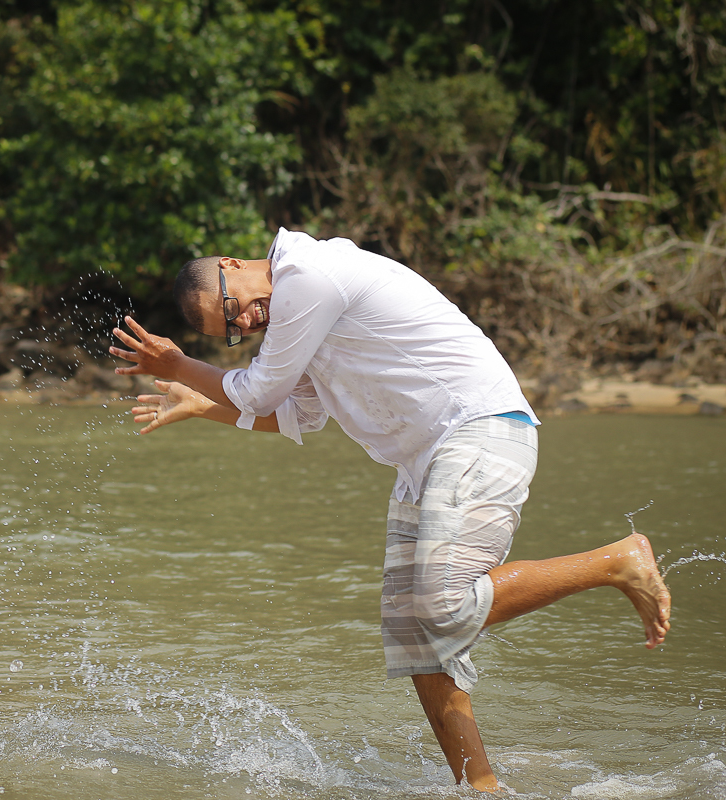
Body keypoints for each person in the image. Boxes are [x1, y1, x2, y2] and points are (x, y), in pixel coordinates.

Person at [108, 228, 671, 792]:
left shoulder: (308, 276)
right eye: (231, 330)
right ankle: (481, 785)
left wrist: (180, 365)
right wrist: (203, 405)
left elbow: (258, 392)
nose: (245, 323)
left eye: (232, 308)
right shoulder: (296, 318)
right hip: (427, 463)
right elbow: (294, 414)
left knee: (442, 604)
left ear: (233, 263)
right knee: (415, 635)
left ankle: (617, 562)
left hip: (478, 432)